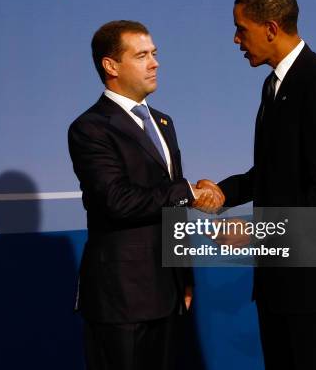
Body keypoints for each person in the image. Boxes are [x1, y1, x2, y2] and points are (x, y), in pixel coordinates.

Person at [203, 0, 316, 370]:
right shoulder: (274, 86)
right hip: (282, 287)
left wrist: (256, 232)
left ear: (272, 28)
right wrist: (222, 193)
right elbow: (277, 170)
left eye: (241, 29)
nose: (235, 39)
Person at [68, 20, 223, 370]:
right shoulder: (90, 128)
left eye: (154, 54)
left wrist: (183, 274)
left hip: (166, 293)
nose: (154, 63)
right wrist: (187, 191)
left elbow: (173, 210)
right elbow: (117, 200)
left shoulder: (164, 123)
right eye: (141, 55)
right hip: (120, 298)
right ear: (111, 65)